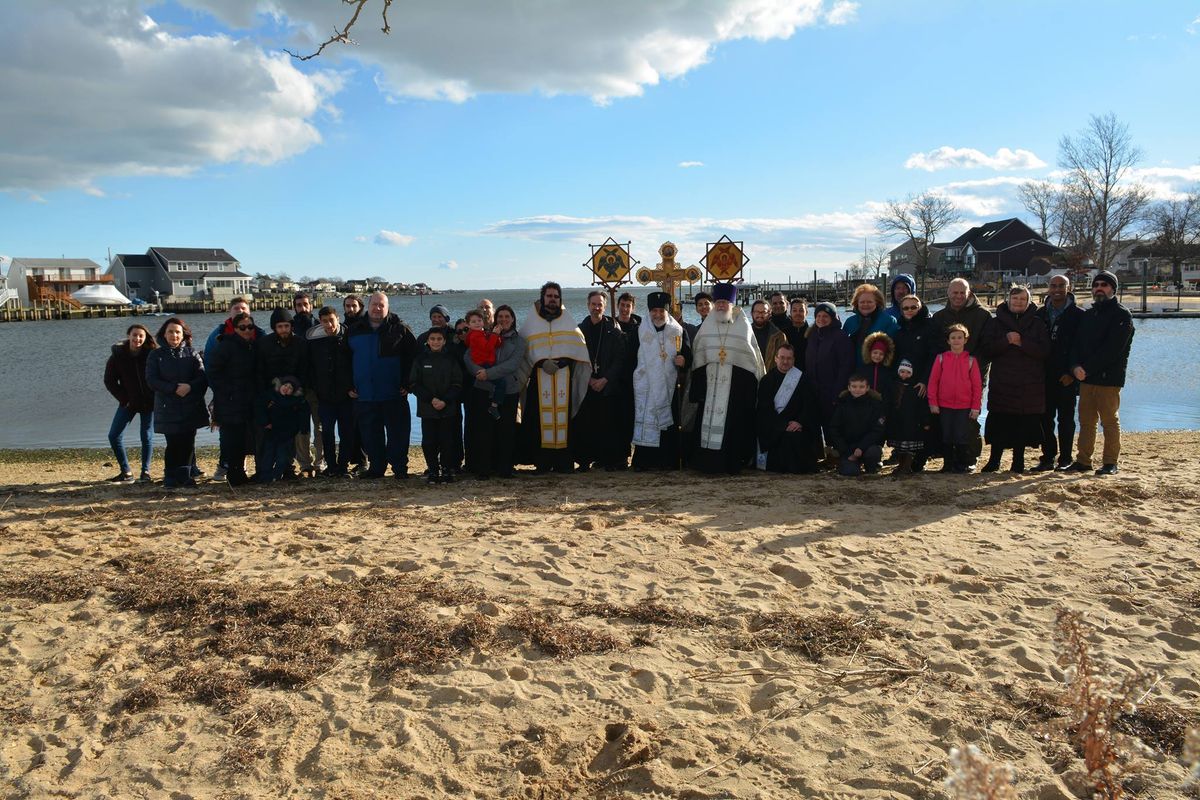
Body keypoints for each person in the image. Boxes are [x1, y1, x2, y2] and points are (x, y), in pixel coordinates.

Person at [1062, 270, 1134, 476]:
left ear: (1113, 289)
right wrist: (1075, 366)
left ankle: (1111, 462)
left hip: (1109, 379)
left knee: (1110, 420)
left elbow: (1113, 350)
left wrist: (1088, 369)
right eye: (1096, 285)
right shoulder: (1089, 315)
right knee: (1086, 421)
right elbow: (1076, 344)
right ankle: (1083, 461)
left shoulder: (1122, 315)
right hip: (1085, 378)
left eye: (1104, 284)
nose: (1099, 288)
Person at [689, 283, 765, 474]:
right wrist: (698, 389)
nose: (721, 306)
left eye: (724, 303)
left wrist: (745, 392)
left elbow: (751, 361)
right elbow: (698, 358)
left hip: (735, 389)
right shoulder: (706, 327)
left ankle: (730, 464)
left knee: (732, 426)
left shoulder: (742, 326)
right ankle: (705, 464)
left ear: (732, 304)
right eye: (718, 303)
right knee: (706, 423)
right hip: (710, 387)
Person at [519, 282, 591, 474]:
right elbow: (524, 351)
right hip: (539, 377)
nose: (552, 299)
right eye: (549, 296)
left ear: (560, 300)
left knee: (565, 419)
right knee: (538, 419)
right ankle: (542, 462)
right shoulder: (531, 323)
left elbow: (579, 349)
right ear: (542, 298)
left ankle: (564, 461)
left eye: (556, 296)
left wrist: (563, 361)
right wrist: (541, 363)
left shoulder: (568, 322)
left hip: (564, 378)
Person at [979, 285, 1050, 474]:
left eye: (1022, 299)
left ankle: (1018, 462)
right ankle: (994, 461)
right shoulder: (995, 323)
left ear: (1028, 302)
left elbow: (1044, 352)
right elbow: (986, 349)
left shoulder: (1037, 323)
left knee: (1022, 425)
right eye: (1015, 299)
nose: (1018, 302)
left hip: (1029, 384)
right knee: (1000, 423)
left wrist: (1021, 342)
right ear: (1008, 300)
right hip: (1002, 382)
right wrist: (1006, 341)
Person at [347, 291, 418, 479]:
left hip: (393, 393)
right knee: (370, 434)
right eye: (374, 304)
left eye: (382, 305)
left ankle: (400, 468)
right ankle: (376, 468)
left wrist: (407, 384)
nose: (377, 308)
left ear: (387, 308)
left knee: (398, 434)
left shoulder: (400, 329)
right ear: (368, 306)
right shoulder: (354, 330)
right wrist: (349, 385)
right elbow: (345, 360)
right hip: (365, 394)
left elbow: (414, 358)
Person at [931, 278, 993, 467]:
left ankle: (970, 458)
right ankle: (949, 458)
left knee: (970, 419)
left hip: (974, 374)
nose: (958, 296)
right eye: (955, 292)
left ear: (969, 293)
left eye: (962, 293)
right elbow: (935, 346)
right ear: (948, 293)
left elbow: (987, 347)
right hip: (946, 377)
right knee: (947, 421)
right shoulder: (940, 317)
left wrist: (970, 365)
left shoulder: (982, 315)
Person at [464, 304, 527, 479]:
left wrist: (488, 373)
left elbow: (513, 364)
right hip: (483, 389)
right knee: (484, 430)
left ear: (513, 319)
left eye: (507, 316)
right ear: (495, 318)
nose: (504, 319)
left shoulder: (519, 341)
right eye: (500, 316)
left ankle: (504, 468)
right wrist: (478, 372)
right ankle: (483, 468)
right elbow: (469, 356)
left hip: (508, 390)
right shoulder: (485, 334)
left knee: (506, 430)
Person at [203, 297, 262, 481]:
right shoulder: (222, 341)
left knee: (253, 435)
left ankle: (259, 471)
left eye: (249, 327)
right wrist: (225, 392)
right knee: (232, 438)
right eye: (242, 328)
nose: (246, 330)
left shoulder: (258, 339)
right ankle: (233, 472)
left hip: (252, 398)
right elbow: (212, 370)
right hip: (230, 399)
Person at [145, 317, 208, 488]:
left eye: (178, 332)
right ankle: (170, 477)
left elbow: (202, 378)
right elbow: (151, 380)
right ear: (164, 335)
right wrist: (173, 388)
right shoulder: (156, 355)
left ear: (183, 335)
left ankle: (185, 476)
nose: (174, 335)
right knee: (173, 443)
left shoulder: (192, 353)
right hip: (167, 406)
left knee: (188, 443)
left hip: (190, 406)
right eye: (171, 332)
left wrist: (189, 387)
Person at [631, 291, 690, 470]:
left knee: (668, 425)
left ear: (667, 311)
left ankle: (667, 462)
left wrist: (684, 361)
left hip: (669, 385)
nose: (657, 314)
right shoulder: (639, 331)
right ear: (649, 311)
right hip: (646, 385)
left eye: (661, 311)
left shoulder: (678, 331)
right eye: (654, 311)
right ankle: (644, 463)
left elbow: (687, 354)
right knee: (647, 421)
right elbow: (630, 358)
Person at [1033, 275, 1084, 472]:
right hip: (1044, 375)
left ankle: (1065, 458)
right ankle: (1047, 457)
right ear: (1048, 288)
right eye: (1053, 286)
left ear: (1068, 287)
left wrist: (1071, 371)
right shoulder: (1040, 314)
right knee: (1045, 419)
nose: (1057, 289)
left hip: (1067, 376)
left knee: (1066, 419)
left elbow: (1082, 346)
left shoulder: (1079, 315)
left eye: (1061, 286)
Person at [573, 290, 628, 471]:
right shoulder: (580, 330)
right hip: (587, 384)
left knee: (609, 424)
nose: (597, 308)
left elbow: (620, 359)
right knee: (587, 424)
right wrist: (589, 379)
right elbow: (576, 358)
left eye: (600, 304)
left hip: (608, 385)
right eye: (593, 304)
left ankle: (609, 460)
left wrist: (605, 379)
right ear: (588, 305)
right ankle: (584, 460)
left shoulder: (614, 330)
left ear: (605, 306)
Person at [256, 308, 309, 478]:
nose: (284, 329)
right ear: (274, 327)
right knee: (270, 436)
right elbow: (260, 372)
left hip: (293, 395)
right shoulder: (264, 344)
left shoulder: (300, 344)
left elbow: (305, 370)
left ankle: (288, 467)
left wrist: (297, 391)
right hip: (271, 397)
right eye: (280, 326)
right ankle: (265, 471)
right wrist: (267, 397)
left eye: (286, 326)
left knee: (290, 435)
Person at [103, 323, 157, 483]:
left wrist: (156, 395)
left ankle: (145, 472)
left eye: (141, 336)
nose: (137, 339)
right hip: (129, 402)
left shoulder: (151, 354)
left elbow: (159, 376)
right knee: (114, 436)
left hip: (149, 402)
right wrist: (124, 399)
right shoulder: (118, 355)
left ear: (145, 338)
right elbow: (109, 381)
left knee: (146, 436)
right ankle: (126, 472)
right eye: (134, 335)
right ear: (129, 336)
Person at [756, 343, 821, 473]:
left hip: (797, 425)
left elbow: (810, 405)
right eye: (782, 358)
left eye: (789, 358)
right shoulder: (766, 380)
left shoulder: (803, 379)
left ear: (794, 360)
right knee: (780, 436)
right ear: (776, 358)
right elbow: (764, 409)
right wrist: (782, 425)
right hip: (775, 425)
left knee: (796, 437)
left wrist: (800, 422)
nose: (785, 362)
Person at [306, 306, 356, 477]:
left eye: (331, 320)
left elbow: (354, 365)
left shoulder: (348, 337)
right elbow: (310, 368)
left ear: (338, 318)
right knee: (326, 432)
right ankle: (331, 466)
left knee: (346, 432)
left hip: (345, 395)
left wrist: (352, 387)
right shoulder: (315, 341)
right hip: (324, 396)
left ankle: (343, 466)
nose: (329, 324)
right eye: (325, 321)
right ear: (320, 321)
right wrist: (315, 388)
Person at [410, 327, 464, 483]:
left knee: (447, 441)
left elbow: (457, 383)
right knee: (429, 442)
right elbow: (414, 383)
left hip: (447, 408)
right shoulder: (420, 359)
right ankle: (433, 470)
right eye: (432, 339)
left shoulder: (451, 359)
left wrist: (445, 400)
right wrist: (431, 399)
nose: (435, 342)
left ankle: (447, 470)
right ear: (428, 341)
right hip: (428, 409)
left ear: (444, 341)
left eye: (439, 339)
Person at [928, 324, 982, 473]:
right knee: (946, 434)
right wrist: (933, 402)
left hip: (964, 405)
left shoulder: (971, 360)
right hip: (944, 404)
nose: (956, 340)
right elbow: (933, 382)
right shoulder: (941, 359)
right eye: (953, 338)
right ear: (948, 341)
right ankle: (947, 464)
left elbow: (977, 386)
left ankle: (962, 464)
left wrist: (975, 407)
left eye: (960, 337)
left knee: (961, 435)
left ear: (965, 340)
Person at [805, 302, 854, 457]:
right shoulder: (813, 335)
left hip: (832, 389)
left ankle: (838, 453)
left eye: (826, 316)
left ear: (833, 318)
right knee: (818, 422)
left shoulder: (840, 336)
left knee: (833, 424)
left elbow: (845, 366)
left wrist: (838, 391)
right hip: (815, 388)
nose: (821, 319)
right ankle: (822, 452)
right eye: (818, 316)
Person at [829, 374, 886, 476]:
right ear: (849, 388)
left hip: (867, 446)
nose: (857, 390)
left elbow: (877, 430)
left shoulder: (876, 405)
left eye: (861, 387)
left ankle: (871, 466)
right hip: (848, 448)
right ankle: (848, 463)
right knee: (850, 472)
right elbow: (834, 429)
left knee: (873, 452)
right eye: (854, 386)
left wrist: (861, 447)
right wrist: (847, 451)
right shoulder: (842, 405)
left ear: (867, 388)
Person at [256, 376, 308, 483]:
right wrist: (265, 423)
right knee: (268, 455)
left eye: (290, 388)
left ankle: (276, 476)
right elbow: (260, 409)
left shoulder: (296, 402)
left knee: (282, 457)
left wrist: (301, 429)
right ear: (280, 385)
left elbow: (303, 416)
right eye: (285, 385)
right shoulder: (270, 396)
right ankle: (265, 476)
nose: (286, 388)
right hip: (271, 431)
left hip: (286, 434)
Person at [888, 359, 931, 476]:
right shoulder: (894, 386)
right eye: (902, 372)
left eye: (907, 372)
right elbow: (890, 404)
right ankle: (900, 466)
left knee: (909, 447)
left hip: (913, 422)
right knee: (900, 446)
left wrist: (925, 421)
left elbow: (922, 406)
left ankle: (906, 467)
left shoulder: (917, 387)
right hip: (898, 421)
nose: (904, 375)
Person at [463, 309, 505, 419]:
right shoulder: (475, 335)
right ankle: (494, 406)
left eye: (479, 320)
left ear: (483, 321)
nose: (477, 323)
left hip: (487, 363)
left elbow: (496, 344)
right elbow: (487, 347)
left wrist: (497, 335)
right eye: (473, 321)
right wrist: (495, 334)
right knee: (501, 383)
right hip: (483, 364)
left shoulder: (483, 333)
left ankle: (493, 403)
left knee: (497, 384)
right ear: (468, 324)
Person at [842, 284, 899, 366]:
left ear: (877, 302)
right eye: (862, 302)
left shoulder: (889, 321)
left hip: (878, 370)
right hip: (854, 370)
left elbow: (894, 348)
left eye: (869, 302)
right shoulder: (850, 322)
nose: (865, 304)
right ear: (856, 303)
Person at [749, 299, 788, 368]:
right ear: (752, 313)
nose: (760, 315)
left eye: (764, 312)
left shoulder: (779, 336)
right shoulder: (745, 334)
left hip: (770, 376)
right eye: (757, 312)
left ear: (769, 314)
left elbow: (785, 361)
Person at [860, 333, 896, 399]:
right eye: (875, 352)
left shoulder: (887, 372)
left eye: (881, 354)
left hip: (881, 405)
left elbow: (890, 391)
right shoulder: (863, 370)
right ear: (870, 352)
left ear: (885, 355)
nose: (877, 356)